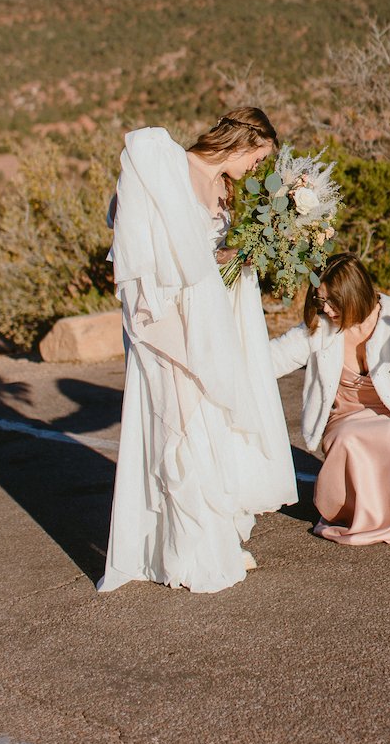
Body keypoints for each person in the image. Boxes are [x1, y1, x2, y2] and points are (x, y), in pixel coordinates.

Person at [98, 108, 297, 593]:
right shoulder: (167, 167)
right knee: (183, 427)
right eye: (258, 157)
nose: (257, 169)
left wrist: (244, 251)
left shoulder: (228, 190)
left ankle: (216, 536)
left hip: (216, 323)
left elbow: (211, 257)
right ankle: (189, 551)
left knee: (213, 426)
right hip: (173, 325)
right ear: (244, 142)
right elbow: (128, 228)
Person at [269, 252, 390, 544]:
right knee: (349, 437)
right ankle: (359, 515)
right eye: (320, 300)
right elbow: (273, 358)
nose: (326, 309)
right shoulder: (321, 326)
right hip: (345, 417)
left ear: (354, 295)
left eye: (333, 302)